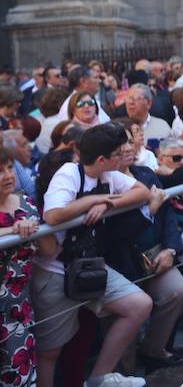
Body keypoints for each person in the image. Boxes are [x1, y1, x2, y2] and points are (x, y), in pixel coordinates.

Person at [33, 123, 153, 387]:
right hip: (56, 270)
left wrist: (108, 202)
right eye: (118, 154)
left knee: (139, 305)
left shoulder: (108, 176)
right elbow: (52, 215)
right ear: (102, 159)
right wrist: (91, 202)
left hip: (90, 265)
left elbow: (143, 192)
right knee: (50, 351)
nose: (124, 157)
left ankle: (99, 378)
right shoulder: (69, 174)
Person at [104, 121, 183, 374]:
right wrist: (148, 210)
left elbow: (168, 214)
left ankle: (152, 349)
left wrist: (170, 250)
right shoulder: (103, 185)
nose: (128, 148)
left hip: (155, 255)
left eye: (130, 141)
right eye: (121, 144)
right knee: (126, 314)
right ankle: (122, 373)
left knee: (179, 290)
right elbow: (114, 234)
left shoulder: (146, 174)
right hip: (121, 265)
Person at [0, 147, 52, 387]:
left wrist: (38, 229)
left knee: (20, 376)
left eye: (9, 168)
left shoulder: (26, 204)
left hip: (18, 308)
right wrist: (12, 231)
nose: (7, 175)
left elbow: (50, 250)